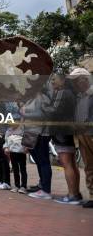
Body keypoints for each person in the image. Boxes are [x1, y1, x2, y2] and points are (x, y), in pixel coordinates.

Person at [48, 74, 81, 204]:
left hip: (61, 132)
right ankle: (75, 193)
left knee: (66, 163)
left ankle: (72, 195)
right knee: (72, 163)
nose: (52, 82)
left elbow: (53, 111)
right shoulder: (71, 93)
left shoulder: (62, 92)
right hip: (68, 131)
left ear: (62, 81)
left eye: (54, 79)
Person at [67, 68, 93, 208]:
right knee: (89, 166)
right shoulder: (79, 96)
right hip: (82, 135)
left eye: (76, 80)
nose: (75, 84)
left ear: (85, 79)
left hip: (90, 133)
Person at [4, 123, 27, 194]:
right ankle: (17, 185)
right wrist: (6, 147)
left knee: (23, 169)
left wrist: (26, 147)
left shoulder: (22, 129)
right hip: (12, 152)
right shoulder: (8, 131)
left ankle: (23, 186)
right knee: (15, 168)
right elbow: (6, 141)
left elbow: (26, 139)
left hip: (21, 152)